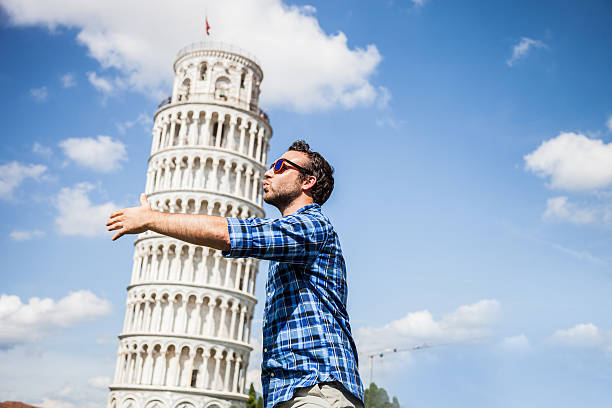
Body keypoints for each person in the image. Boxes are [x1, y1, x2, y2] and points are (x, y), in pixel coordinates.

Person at [106, 140, 364, 408]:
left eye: (280, 166)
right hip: (296, 392)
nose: (268, 172)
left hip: (317, 389)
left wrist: (153, 220)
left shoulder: (311, 226)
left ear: (307, 182)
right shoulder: (294, 237)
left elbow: (228, 233)